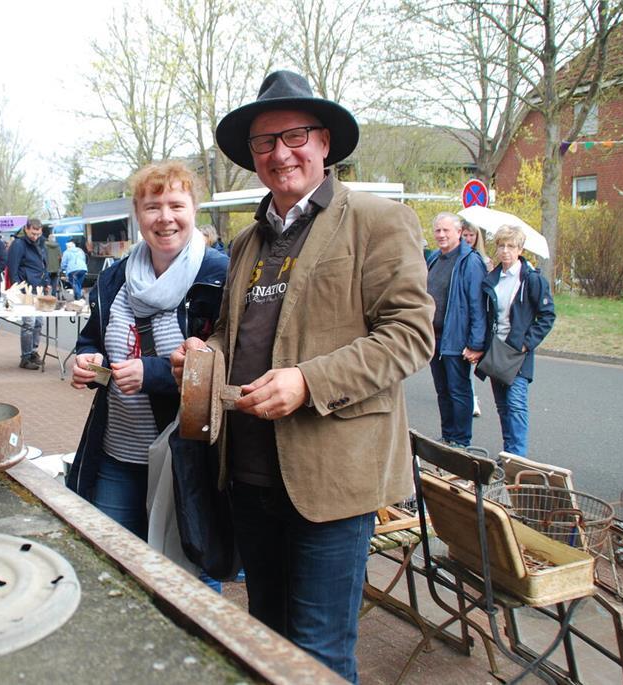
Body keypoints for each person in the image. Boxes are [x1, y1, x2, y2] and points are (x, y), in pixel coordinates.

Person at [168, 71, 433, 682]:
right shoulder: (245, 242)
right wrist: (202, 355)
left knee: (318, 652)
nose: (280, 153)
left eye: (295, 136)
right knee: (266, 635)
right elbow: (232, 334)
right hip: (251, 473)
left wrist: (308, 382)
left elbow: (411, 336)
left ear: (324, 143)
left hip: (332, 481)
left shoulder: (377, 220)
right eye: (264, 143)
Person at [66, 160, 229, 541]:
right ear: (137, 215)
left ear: (194, 211)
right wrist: (88, 359)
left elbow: (229, 367)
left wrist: (151, 374)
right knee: (114, 562)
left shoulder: (219, 277)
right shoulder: (114, 278)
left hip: (186, 462)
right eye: (152, 207)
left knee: (186, 582)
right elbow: (93, 336)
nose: (165, 218)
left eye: (176, 205)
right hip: (117, 455)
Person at [476, 225, 555, 456]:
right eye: (501, 245)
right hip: (496, 351)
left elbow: (547, 315)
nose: (505, 251)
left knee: (516, 406)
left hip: (518, 354)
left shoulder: (531, 279)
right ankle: (508, 454)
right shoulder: (492, 278)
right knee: (502, 408)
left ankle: (517, 458)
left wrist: (526, 343)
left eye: (511, 246)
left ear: (520, 249)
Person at [426, 212, 487, 447]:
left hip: (457, 340)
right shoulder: (433, 258)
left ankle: (461, 441)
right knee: (442, 391)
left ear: (459, 233)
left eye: (446, 231)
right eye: (438, 230)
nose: (441, 235)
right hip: (435, 339)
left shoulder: (470, 262)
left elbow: (477, 305)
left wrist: (476, 343)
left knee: (459, 392)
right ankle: (448, 436)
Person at [7, 218, 49, 370]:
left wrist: (47, 282)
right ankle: (25, 357)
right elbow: (13, 268)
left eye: (38, 234)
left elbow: (44, 266)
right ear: (26, 229)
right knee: (29, 323)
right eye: (33, 233)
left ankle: (33, 351)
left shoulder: (41, 244)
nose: (35, 237)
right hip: (25, 290)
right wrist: (19, 288)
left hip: (38, 288)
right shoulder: (19, 244)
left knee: (39, 322)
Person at [461, 220, 492, 417]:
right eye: (465, 234)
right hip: (462, 318)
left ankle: (472, 400)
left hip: (476, 315)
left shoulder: (483, 260)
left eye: (471, 235)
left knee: (470, 363)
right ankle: (469, 398)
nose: (468, 238)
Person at [44, 227, 62, 297]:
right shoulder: (58, 246)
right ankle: (53, 295)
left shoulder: (45, 246)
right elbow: (60, 257)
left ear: (48, 239)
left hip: (47, 267)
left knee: (46, 282)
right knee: (54, 282)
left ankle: (46, 295)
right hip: (56, 268)